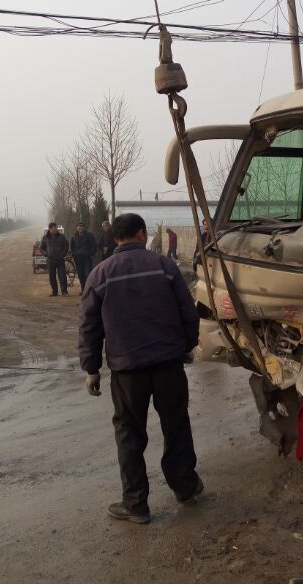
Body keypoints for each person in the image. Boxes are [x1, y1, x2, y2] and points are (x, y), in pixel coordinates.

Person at [78, 213, 202, 524]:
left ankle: (135, 504)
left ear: (115, 238)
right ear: (142, 234)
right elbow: (189, 312)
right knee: (176, 426)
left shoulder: (99, 274)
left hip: (127, 369)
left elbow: (89, 327)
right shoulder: (164, 266)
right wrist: (186, 347)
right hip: (168, 365)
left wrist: (91, 368)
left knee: (129, 434)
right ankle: (185, 487)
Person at [40, 222, 70, 296]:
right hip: (50, 260)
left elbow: (66, 246)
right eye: (53, 228)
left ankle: (64, 291)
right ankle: (55, 292)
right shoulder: (45, 237)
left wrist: (63, 254)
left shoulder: (61, 237)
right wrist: (46, 254)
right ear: (49, 229)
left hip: (60, 259)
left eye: (56, 228)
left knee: (62, 276)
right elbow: (41, 248)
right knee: (52, 277)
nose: (55, 230)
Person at [70, 222, 97, 292]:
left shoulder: (89, 235)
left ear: (84, 227)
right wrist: (73, 254)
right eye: (79, 226)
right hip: (78, 259)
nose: (80, 227)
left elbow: (94, 245)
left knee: (87, 274)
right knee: (80, 275)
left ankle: (89, 290)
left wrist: (91, 253)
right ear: (76, 228)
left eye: (82, 226)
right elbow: (71, 247)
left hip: (87, 258)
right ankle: (83, 290)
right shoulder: (73, 237)